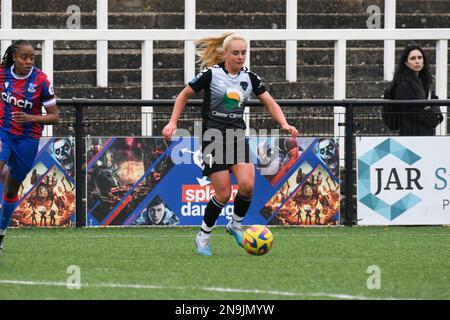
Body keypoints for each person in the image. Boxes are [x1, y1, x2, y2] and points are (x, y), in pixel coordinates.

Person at [162, 32, 298, 256]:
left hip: (237, 136)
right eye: (235, 53)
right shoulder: (211, 75)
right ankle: (204, 235)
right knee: (223, 194)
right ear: (224, 54)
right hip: (213, 138)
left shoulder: (250, 78)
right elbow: (183, 95)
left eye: (243, 52)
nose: (240, 57)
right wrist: (172, 122)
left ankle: (235, 224)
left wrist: (284, 123)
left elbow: (269, 102)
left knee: (247, 185)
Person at [0, 40, 59, 254]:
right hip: (3, 132)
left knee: (11, 188)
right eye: (24, 57)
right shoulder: (3, 75)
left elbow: (54, 117)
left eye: (32, 57)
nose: (28, 61)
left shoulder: (41, 80)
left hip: (27, 140)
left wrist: (30, 118)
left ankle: (1, 233)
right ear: (14, 57)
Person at [387, 45, 443, 136]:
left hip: (425, 131)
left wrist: (437, 116)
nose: (417, 61)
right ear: (406, 63)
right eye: (413, 58)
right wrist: (433, 118)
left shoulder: (424, 81)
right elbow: (410, 108)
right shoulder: (402, 83)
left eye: (420, 58)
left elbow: (434, 100)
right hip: (410, 133)